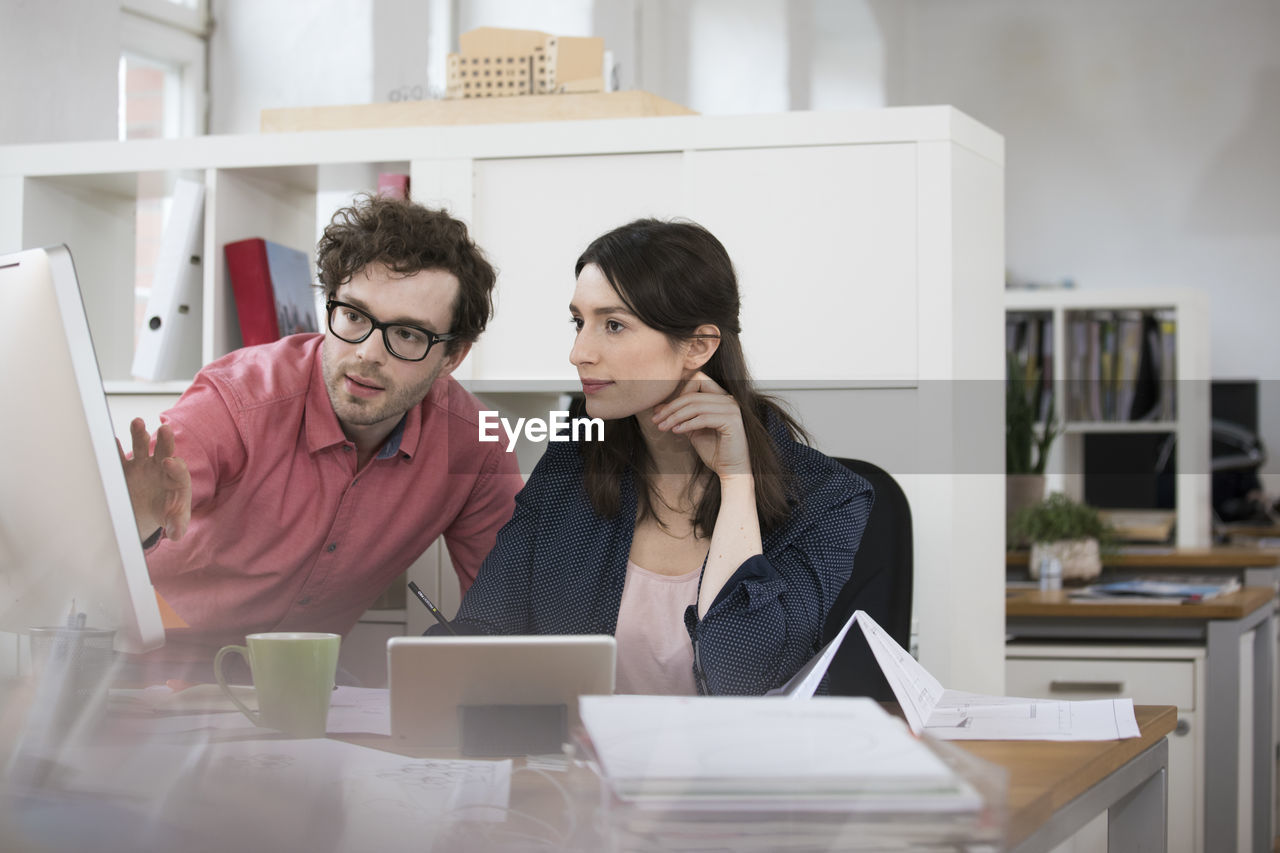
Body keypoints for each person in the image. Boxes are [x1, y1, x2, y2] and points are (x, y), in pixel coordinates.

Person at [447, 219, 874, 695]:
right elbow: (485, 630)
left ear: (698, 346)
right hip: (577, 763)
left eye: (613, 325)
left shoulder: (828, 499)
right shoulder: (571, 464)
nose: (578, 352)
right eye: (578, 321)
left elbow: (743, 677)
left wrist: (736, 483)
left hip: (731, 765)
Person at [120, 195, 524, 678]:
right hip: (140, 674)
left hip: (295, 691)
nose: (368, 354)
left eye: (408, 336)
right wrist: (134, 520)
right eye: (353, 316)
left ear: (453, 356)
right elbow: (135, 505)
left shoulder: (475, 448)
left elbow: (508, 609)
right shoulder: (239, 400)